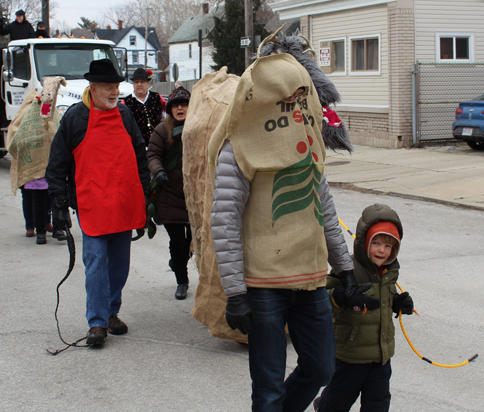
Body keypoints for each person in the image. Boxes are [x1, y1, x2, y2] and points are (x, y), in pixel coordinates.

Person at [208, 51, 380, 411]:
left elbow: (324, 210)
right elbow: (224, 219)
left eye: (300, 95)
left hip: (311, 278)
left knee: (321, 368)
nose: (296, 103)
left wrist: (345, 270)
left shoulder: (306, 143)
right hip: (263, 284)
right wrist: (236, 292)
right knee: (268, 387)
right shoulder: (238, 146)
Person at [46, 59, 150, 346]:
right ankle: (97, 322)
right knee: (95, 265)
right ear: (93, 88)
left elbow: (140, 159)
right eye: (108, 87)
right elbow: (56, 165)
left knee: (119, 265)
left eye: (116, 87)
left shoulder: (126, 115)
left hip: (123, 204)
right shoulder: (75, 118)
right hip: (92, 207)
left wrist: (145, 200)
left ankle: (111, 312)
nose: (115, 92)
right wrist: (58, 204)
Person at [314, 204, 414, 412]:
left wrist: (397, 302)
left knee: (378, 404)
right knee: (337, 402)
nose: (381, 250)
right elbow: (322, 296)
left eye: (388, 246)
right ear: (364, 242)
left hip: (381, 356)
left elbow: (383, 298)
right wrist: (340, 298)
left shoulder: (388, 271)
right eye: (376, 243)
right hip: (350, 356)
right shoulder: (347, 268)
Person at [147, 87, 192, 300]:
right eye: (176, 105)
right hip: (170, 195)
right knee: (177, 241)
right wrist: (159, 171)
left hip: (194, 195)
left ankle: (178, 261)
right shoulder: (161, 130)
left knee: (193, 241)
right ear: (171, 109)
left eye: (184, 104)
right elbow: (153, 155)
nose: (180, 108)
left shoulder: (198, 128)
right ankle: (182, 281)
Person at [122, 68, 163, 147]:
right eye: (136, 82)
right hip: (136, 147)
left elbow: (167, 117)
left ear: (147, 83)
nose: (139, 84)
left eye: (142, 82)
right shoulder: (125, 102)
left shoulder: (158, 98)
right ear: (133, 84)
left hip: (158, 146)